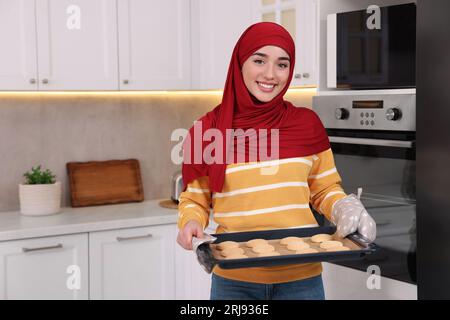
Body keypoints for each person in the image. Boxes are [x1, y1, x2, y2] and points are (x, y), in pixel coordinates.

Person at [176, 22, 376, 300]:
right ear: (240, 63)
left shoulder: (307, 124)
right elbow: (195, 199)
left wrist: (343, 206)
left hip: (302, 281)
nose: (271, 74)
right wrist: (190, 222)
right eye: (259, 60)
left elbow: (324, 189)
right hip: (234, 283)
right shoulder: (207, 130)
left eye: (282, 64)